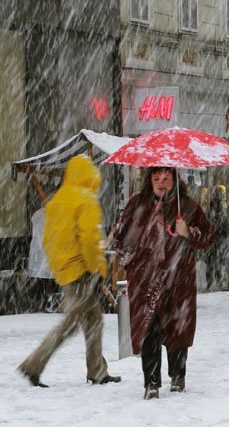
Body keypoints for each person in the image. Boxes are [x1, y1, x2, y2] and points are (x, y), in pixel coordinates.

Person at [18, 154, 121, 388]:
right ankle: (33, 365)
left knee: (93, 319)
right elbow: (89, 238)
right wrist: (97, 266)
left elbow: (48, 239)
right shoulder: (85, 199)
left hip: (65, 270)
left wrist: (60, 266)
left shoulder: (56, 201)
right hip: (81, 271)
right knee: (71, 323)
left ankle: (97, 371)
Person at [112, 166, 214, 399]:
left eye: (166, 178)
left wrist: (189, 232)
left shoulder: (187, 206)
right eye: (156, 178)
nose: (161, 183)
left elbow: (208, 235)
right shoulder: (136, 206)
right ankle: (152, 382)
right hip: (145, 282)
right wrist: (132, 260)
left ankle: (178, 376)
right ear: (149, 181)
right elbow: (119, 240)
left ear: (174, 180)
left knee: (178, 329)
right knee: (149, 331)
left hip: (178, 281)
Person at [205, 185, 229, 291]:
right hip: (218, 242)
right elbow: (226, 230)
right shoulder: (222, 216)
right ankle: (218, 283)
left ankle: (210, 283)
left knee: (211, 263)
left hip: (211, 242)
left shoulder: (208, 215)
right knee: (218, 263)